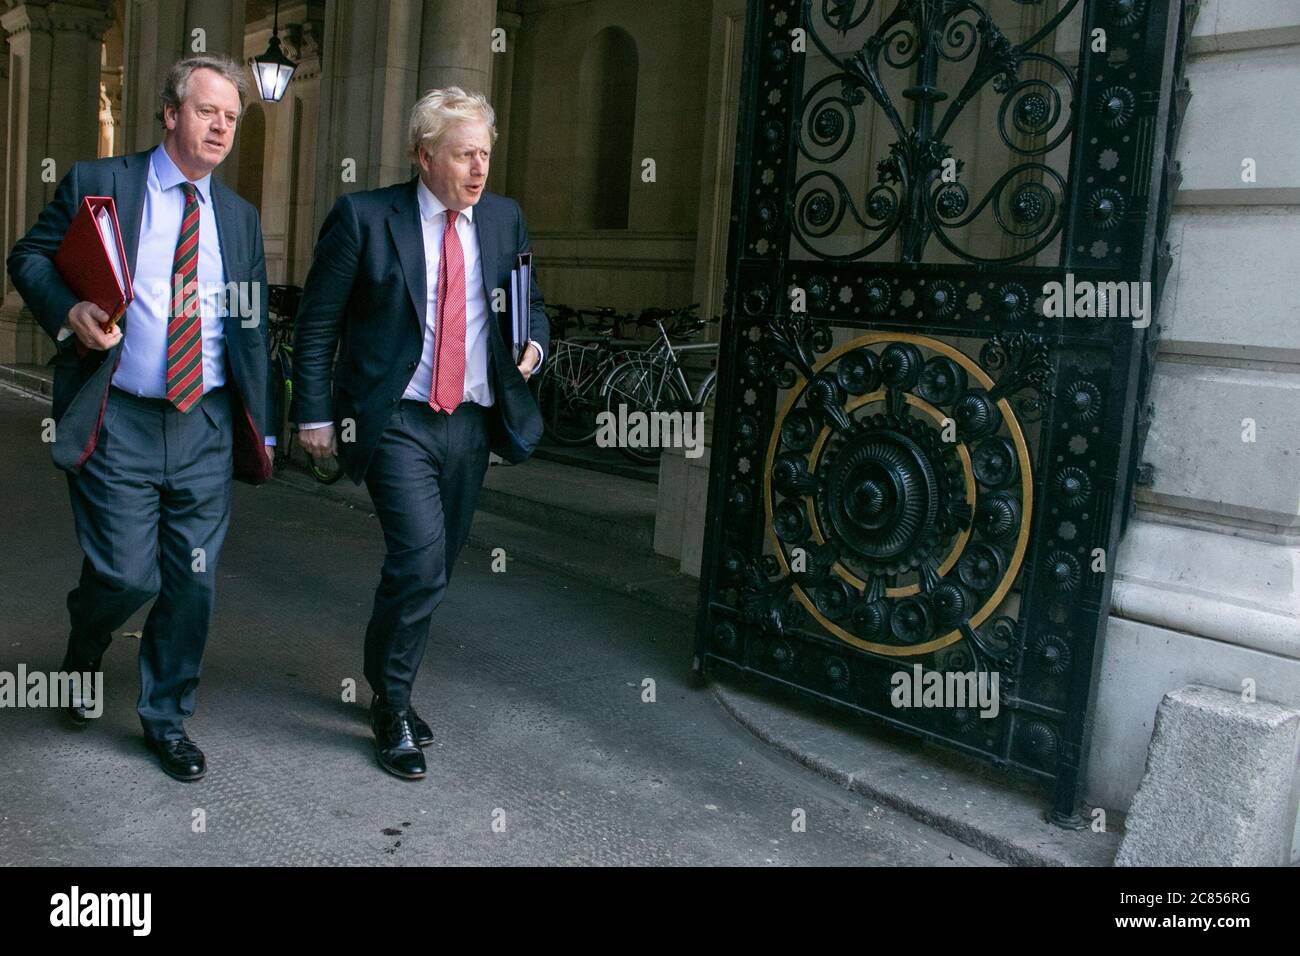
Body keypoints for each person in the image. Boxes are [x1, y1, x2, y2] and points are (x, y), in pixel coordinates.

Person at [6, 55, 272, 781]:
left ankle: (166, 716)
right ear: (170, 114)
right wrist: (70, 311)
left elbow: (249, 331)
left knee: (192, 579)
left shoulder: (240, 218)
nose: (221, 126)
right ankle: (87, 640)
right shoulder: (104, 185)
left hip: (205, 422)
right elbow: (28, 257)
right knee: (127, 574)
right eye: (207, 110)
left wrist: (266, 424)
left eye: (231, 116)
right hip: (118, 413)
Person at [293, 87, 547, 780]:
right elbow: (318, 325)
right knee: (419, 557)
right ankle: (394, 704)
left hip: (469, 422)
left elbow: (532, 306)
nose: (478, 169)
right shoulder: (365, 218)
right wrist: (314, 414)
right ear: (424, 154)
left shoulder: (502, 220)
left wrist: (533, 348)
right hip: (395, 417)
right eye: (465, 154)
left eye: (486, 155)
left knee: (435, 566)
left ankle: (385, 682)